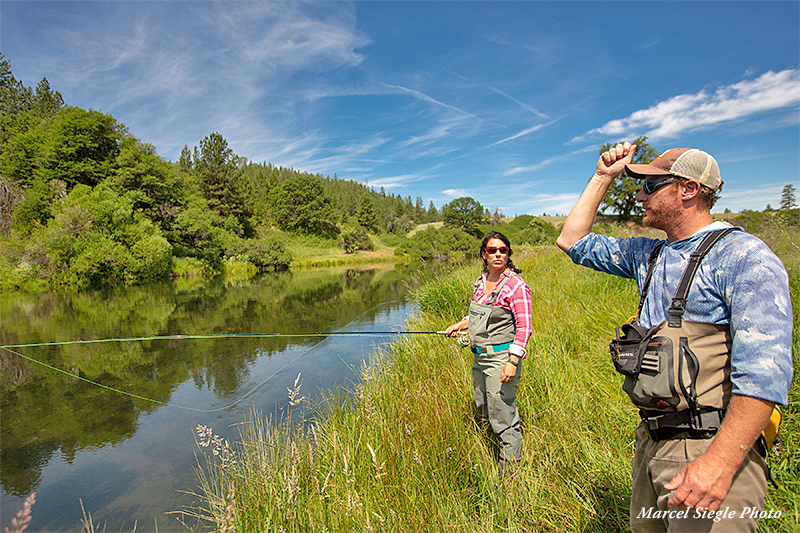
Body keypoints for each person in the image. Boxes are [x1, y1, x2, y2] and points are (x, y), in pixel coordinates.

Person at [556, 143, 793, 532]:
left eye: (650, 186)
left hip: (710, 448)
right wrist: (602, 177)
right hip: (652, 442)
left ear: (688, 189)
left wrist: (720, 462)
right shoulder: (649, 255)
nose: (639, 195)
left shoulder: (744, 256)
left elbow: (765, 375)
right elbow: (572, 240)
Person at [444, 231, 532, 477]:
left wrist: (513, 361)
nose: (497, 254)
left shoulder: (516, 286)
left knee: (502, 414)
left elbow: (524, 328)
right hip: (479, 357)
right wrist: (460, 325)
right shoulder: (480, 281)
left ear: (508, 254)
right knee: (483, 407)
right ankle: (488, 454)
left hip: (501, 359)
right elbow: (477, 315)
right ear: (484, 254)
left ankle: (510, 477)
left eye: (502, 250)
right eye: (492, 250)